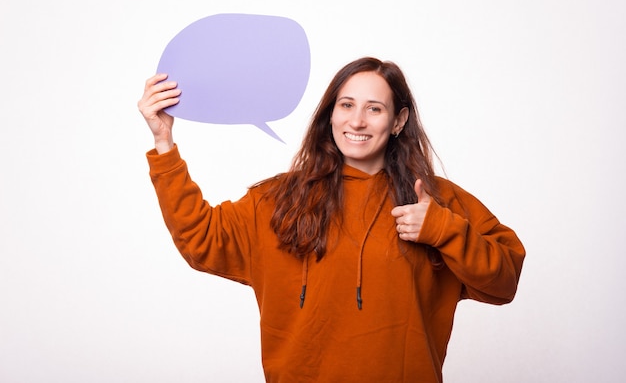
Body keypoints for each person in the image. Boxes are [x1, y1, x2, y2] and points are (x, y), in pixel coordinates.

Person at [138, 57, 525, 382]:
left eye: (374, 108)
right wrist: (164, 143)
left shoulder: (435, 202)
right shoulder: (277, 200)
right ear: (330, 113)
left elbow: (505, 279)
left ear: (398, 121)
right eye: (346, 105)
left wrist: (443, 229)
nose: (357, 121)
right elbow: (200, 239)